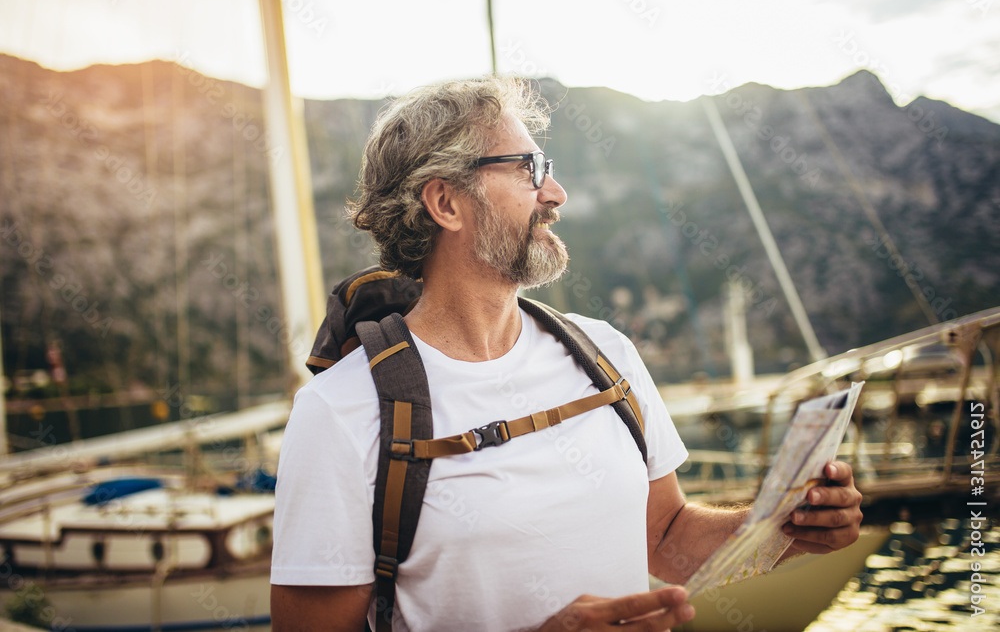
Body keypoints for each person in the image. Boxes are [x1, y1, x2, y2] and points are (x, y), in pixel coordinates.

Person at [269, 77, 864, 631]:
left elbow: (665, 535)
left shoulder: (604, 353)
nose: (556, 193)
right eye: (530, 169)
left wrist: (781, 526)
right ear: (445, 202)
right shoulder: (339, 411)